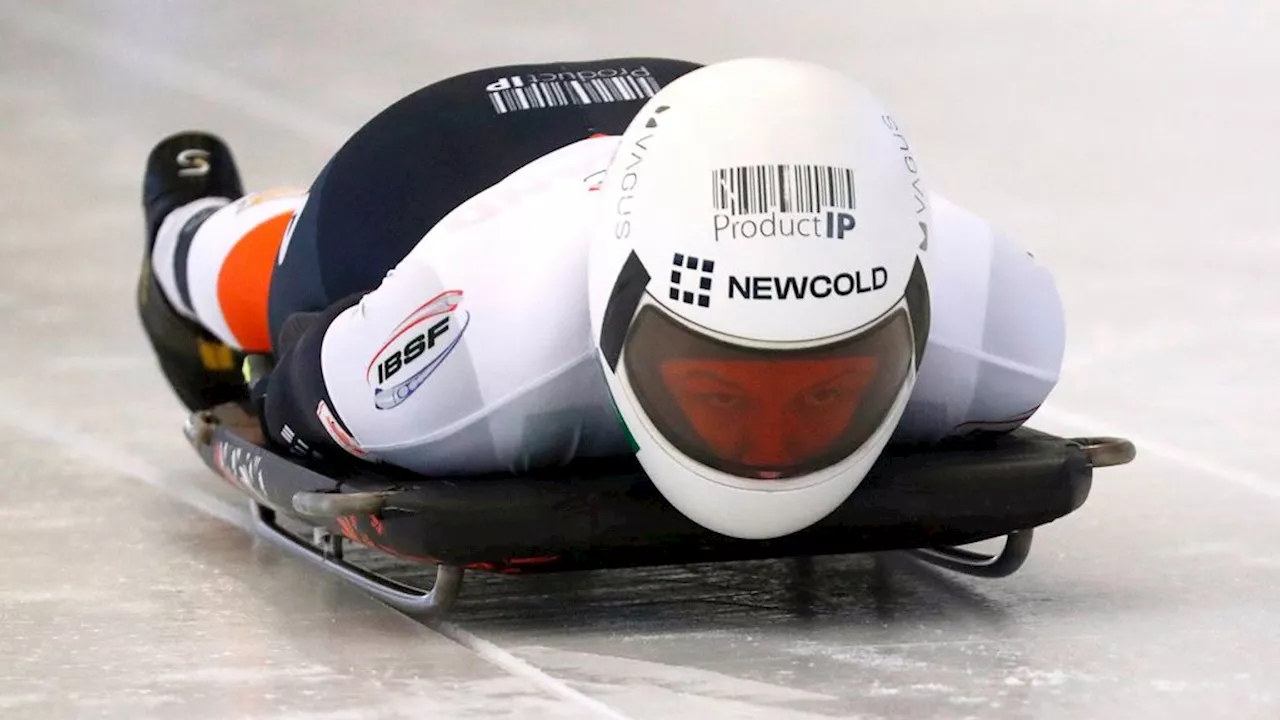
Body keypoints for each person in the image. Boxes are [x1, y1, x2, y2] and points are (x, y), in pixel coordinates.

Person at [136, 57, 1064, 540]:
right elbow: (301, 381)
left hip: (711, 115)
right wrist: (280, 387)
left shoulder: (999, 315)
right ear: (613, 325)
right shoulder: (461, 359)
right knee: (283, 284)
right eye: (722, 390)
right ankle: (190, 223)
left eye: (827, 389)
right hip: (436, 173)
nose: (771, 446)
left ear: (915, 327)